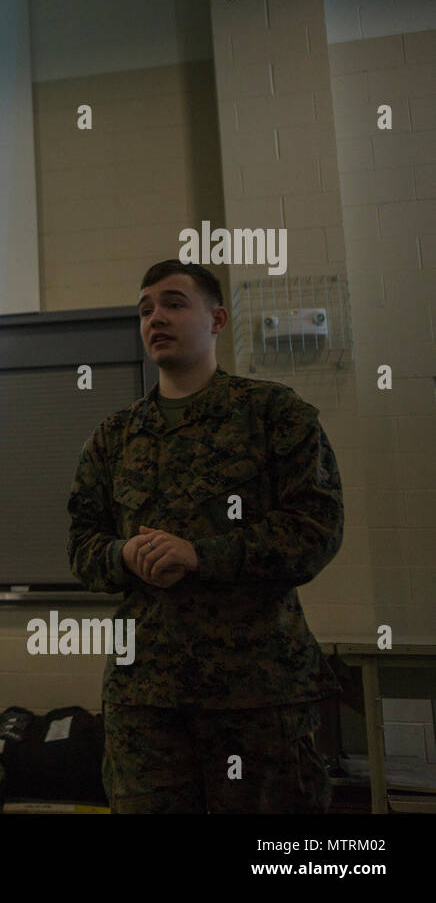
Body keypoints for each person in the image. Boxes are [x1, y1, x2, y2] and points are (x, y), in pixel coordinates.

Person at [66, 259, 344, 813]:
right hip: (145, 698)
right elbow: (82, 545)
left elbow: (314, 529)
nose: (155, 318)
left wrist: (201, 556)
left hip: (256, 695)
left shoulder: (273, 414)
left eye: (173, 303)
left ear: (217, 319)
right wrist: (124, 553)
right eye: (145, 310)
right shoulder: (116, 436)